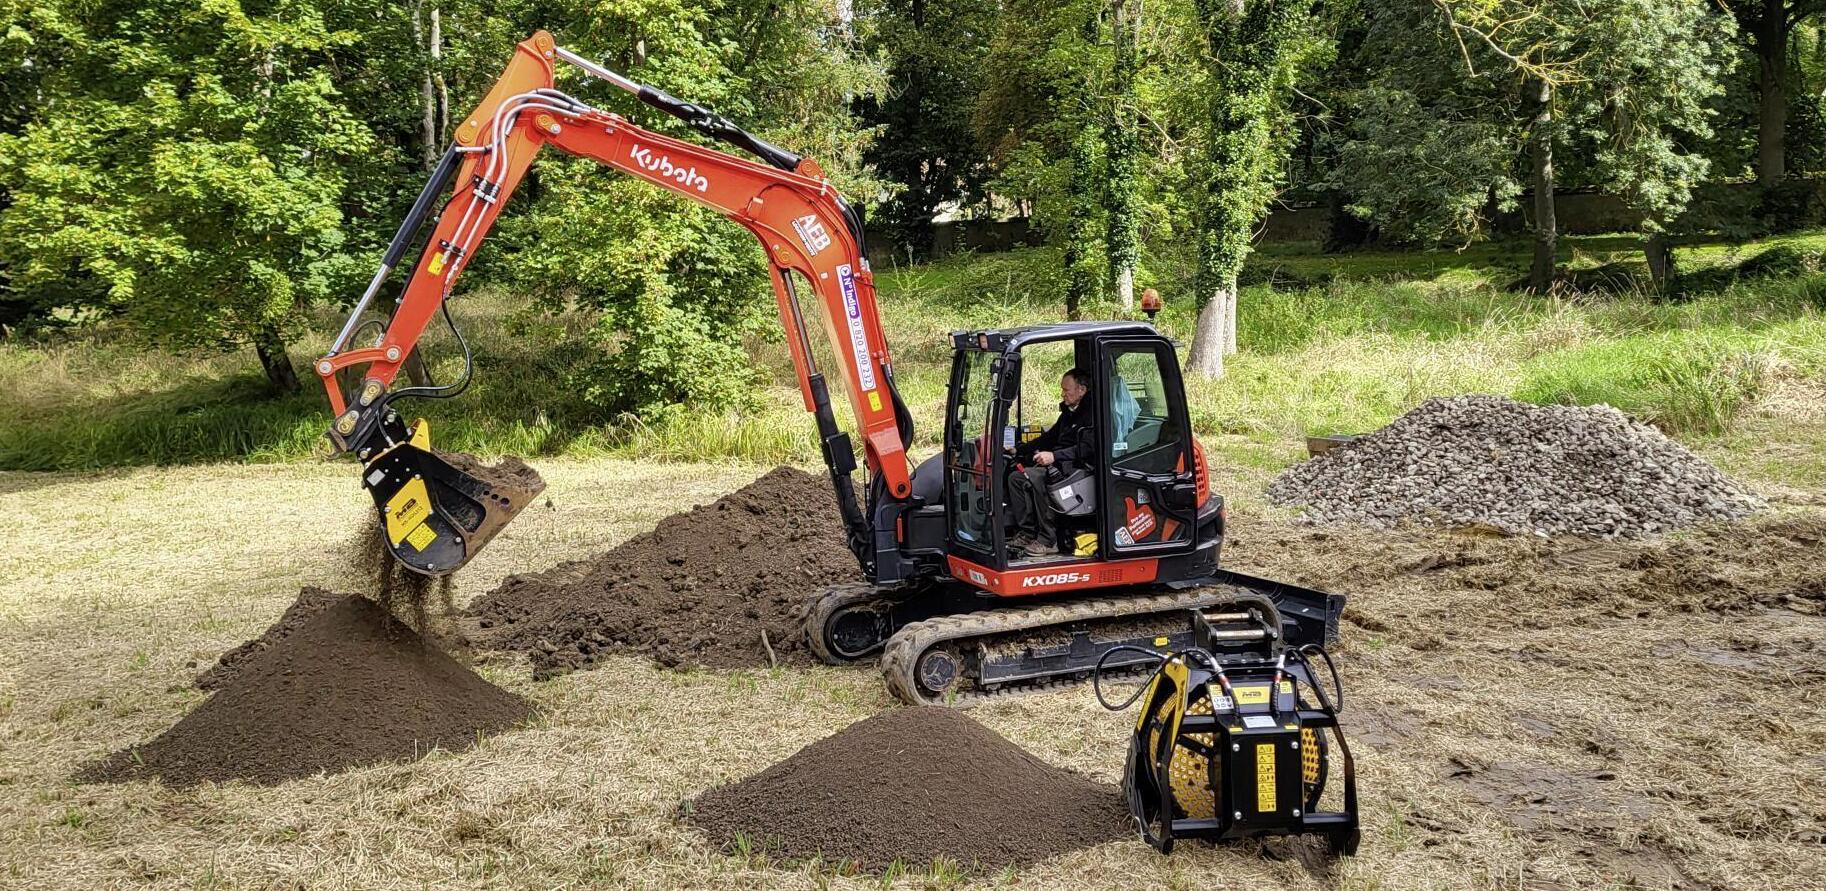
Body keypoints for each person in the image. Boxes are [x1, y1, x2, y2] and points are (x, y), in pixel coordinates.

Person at [1007, 368, 1094, 557]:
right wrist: (1018, 449)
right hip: (1060, 462)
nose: (1063, 394)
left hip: (1077, 466)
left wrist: (1054, 457)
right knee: (1016, 477)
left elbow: (1087, 449)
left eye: (1066, 390)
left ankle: (1049, 540)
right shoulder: (1068, 413)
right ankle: (1028, 533)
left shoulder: (1093, 415)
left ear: (1082, 390)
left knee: (1037, 478)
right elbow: (1048, 438)